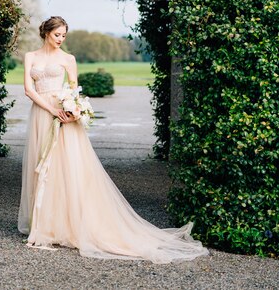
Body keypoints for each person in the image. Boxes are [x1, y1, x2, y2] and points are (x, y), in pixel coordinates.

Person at [17, 15, 209, 262]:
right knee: (39, 166)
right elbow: (28, 89)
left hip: (64, 117)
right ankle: (44, 223)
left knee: (66, 168)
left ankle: (66, 224)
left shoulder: (68, 59)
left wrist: (74, 110)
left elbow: (74, 90)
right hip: (42, 114)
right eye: (57, 35)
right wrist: (51, 109)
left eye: (64, 35)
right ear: (46, 32)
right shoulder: (31, 57)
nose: (61, 39)